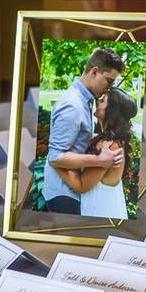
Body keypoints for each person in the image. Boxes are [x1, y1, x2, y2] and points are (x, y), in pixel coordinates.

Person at [44, 48, 125, 214]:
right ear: (94, 72)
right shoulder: (73, 105)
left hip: (72, 188)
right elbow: (55, 157)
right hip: (64, 193)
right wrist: (100, 161)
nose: (109, 88)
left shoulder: (85, 100)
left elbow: (75, 139)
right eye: (109, 81)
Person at [55, 86, 136, 219]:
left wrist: (55, 161)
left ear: (111, 111)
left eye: (103, 100)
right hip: (101, 213)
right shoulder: (106, 140)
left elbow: (81, 186)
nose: (98, 101)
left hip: (102, 216)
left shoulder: (110, 146)